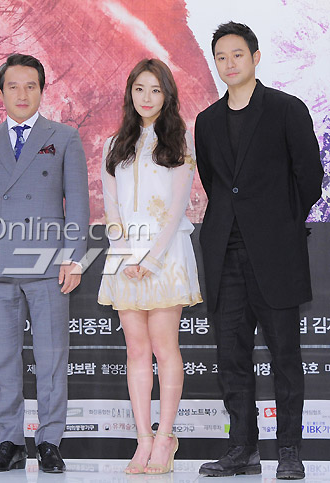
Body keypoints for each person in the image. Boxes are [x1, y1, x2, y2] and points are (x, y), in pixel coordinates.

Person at [195, 22, 323, 480]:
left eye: (237, 55)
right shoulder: (207, 120)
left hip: (276, 254)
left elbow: (310, 176)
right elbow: (214, 183)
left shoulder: (287, 109)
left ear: (255, 57)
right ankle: (242, 450)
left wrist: (280, 224)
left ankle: (289, 451)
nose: (229, 64)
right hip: (224, 254)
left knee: (285, 356)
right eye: (221, 57)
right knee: (231, 357)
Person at [0, 53, 89, 473]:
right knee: (3, 358)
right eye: (13, 86)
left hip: (49, 264)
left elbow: (78, 204)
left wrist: (74, 257)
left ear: (41, 90)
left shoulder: (64, 137)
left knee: (51, 357)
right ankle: (10, 442)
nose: (21, 94)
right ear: (0, 91)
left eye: (30, 86)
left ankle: (50, 440)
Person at [98, 59, 201, 474]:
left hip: (165, 255)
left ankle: (165, 437)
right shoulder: (113, 145)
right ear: (130, 93)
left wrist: (152, 258)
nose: (146, 97)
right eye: (139, 89)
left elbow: (177, 208)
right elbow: (111, 207)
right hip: (124, 258)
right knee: (136, 350)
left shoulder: (180, 141)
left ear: (167, 95)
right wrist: (125, 253)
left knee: (164, 347)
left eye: (155, 90)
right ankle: (143, 439)